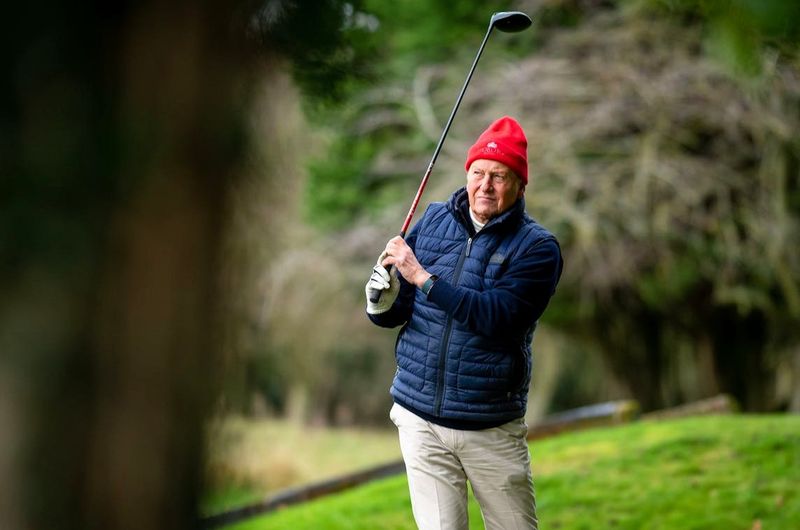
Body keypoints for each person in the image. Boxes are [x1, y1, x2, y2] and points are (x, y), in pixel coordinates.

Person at [365, 116, 563, 530]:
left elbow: (497, 318)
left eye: (499, 176)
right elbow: (403, 309)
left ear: (520, 185)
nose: (485, 186)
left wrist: (423, 278)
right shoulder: (434, 220)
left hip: (489, 424)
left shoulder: (538, 249)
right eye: (478, 173)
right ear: (467, 174)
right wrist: (380, 303)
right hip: (420, 417)